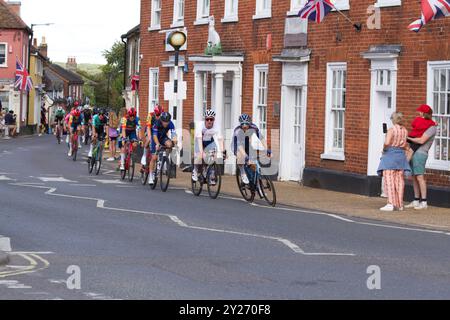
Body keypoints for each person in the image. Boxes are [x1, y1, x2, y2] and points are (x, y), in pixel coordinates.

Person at [377, 112, 411, 212]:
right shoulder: (405, 131)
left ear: (393, 119)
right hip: (401, 157)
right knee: (399, 181)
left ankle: (391, 204)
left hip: (390, 155)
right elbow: (405, 145)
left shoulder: (391, 130)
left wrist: (384, 149)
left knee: (389, 180)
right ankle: (400, 204)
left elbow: (387, 142)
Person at [405, 107, 438, 210]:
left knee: (420, 177)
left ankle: (424, 202)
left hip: (421, 153)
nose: (418, 113)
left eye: (420, 111)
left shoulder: (432, 127)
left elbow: (421, 141)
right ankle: (416, 200)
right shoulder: (421, 124)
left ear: (424, 113)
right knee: (414, 177)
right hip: (414, 151)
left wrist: (407, 138)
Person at [232, 114, 271, 185]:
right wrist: (246, 157)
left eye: (246, 124)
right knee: (241, 156)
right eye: (242, 124)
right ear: (240, 125)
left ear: (249, 123)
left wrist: (267, 149)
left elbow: (261, 139)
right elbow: (240, 146)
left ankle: (255, 182)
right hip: (238, 145)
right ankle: (242, 172)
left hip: (248, 143)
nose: (244, 126)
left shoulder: (254, 128)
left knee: (254, 161)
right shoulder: (238, 131)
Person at [192, 109, 225, 184]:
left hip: (209, 141)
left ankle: (210, 174)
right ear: (205, 120)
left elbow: (220, 139)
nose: (209, 121)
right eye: (207, 119)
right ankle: (195, 170)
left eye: (211, 119)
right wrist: (202, 152)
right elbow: (199, 139)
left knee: (214, 155)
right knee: (200, 156)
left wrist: (223, 151)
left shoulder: (217, 126)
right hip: (199, 140)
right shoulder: (200, 126)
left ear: (214, 120)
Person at [148, 112, 177, 185]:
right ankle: (151, 175)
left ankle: (165, 159)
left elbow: (174, 134)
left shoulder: (171, 124)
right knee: (154, 158)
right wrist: (157, 144)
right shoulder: (156, 123)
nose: (166, 123)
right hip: (155, 139)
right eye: (164, 121)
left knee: (170, 144)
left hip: (163, 137)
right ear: (161, 120)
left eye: (167, 121)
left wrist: (175, 141)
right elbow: (154, 135)